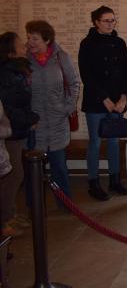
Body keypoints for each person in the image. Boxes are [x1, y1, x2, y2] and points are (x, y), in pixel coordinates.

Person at [78, 6, 127, 201]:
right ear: (96, 22)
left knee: (113, 141)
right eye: (106, 21)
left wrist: (124, 97)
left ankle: (114, 180)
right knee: (95, 142)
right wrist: (105, 99)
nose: (110, 24)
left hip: (117, 102)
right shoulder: (87, 44)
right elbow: (87, 75)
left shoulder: (119, 43)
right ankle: (93, 183)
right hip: (96, 101)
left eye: (113, 20)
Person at [26, 20, 80, 203]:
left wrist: (68, 106)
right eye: (28, 38)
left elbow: (73, 83)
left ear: (47, 40)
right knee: (32, 169)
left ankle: (65, 202)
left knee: (59, 166)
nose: (30, 42)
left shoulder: (60, 57)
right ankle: (33, 207)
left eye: (35, 38)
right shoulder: (24, 60)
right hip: (35, 123)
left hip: (57, 121)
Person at [0, 32, 37, 237]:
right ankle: (5, 219)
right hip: (10, 131)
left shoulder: (17, 70)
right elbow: (9, 106)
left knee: (15, 174)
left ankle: (10, 214)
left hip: (18, 128)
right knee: (13, 175)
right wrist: (30, 118)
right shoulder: (6, 73)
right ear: (10, 51)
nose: (25, 45)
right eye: (20, 44)